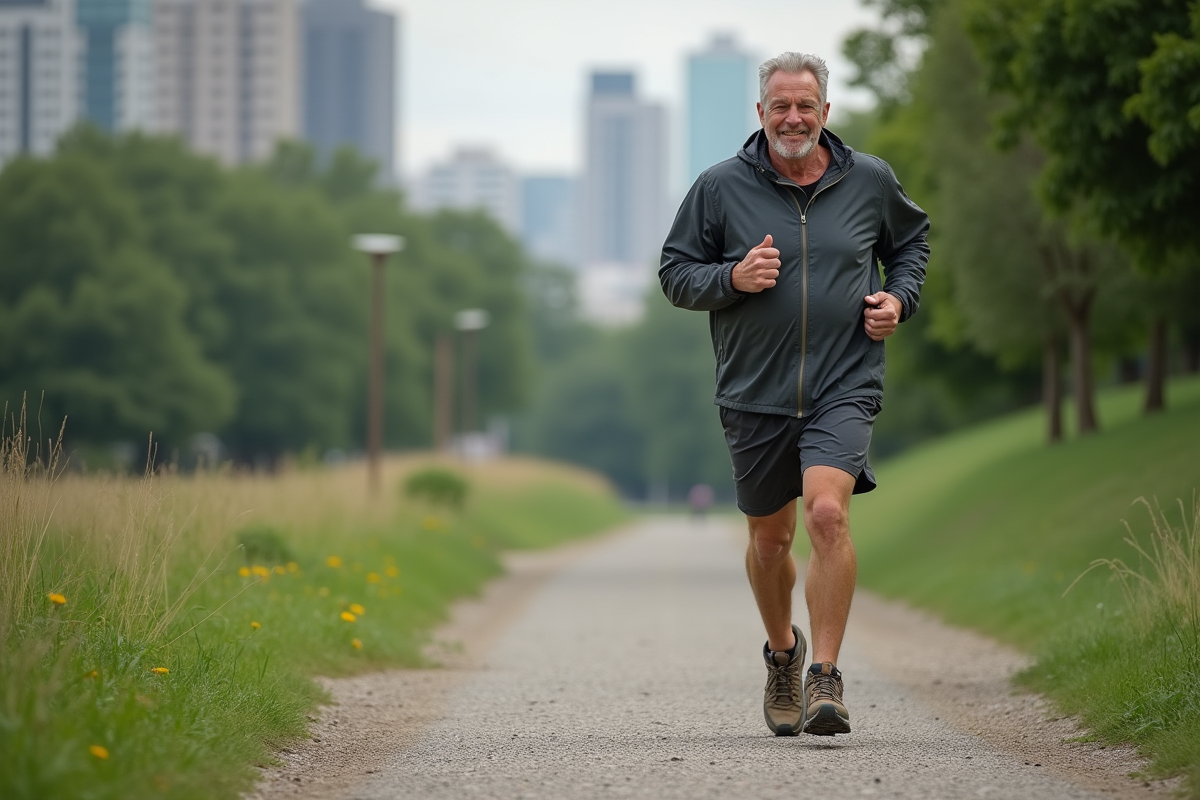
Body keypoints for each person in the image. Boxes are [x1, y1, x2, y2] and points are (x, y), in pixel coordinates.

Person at [659, 52, 929, 737]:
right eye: (780, 105)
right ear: (760, 114)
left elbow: (913, 241)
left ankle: (825, 676)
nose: (793, 117)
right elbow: (675, 272)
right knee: (771, 541)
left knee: (828, 514)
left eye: (805, 105)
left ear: (826, 112)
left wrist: (898, 300)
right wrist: (732, 279)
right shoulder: (719, 188)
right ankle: (784, 651)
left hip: (846, 380)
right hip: (754, 391)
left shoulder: (869, 181)